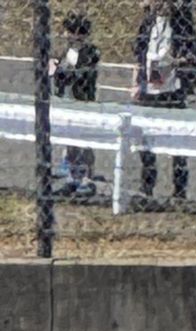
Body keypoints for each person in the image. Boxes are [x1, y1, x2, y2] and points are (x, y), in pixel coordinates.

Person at [131, 0, 196, 205]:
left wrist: (174, 62)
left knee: (177, 142)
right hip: (149, 87)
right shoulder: (148, 23)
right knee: (145, 140)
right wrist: (136, 83)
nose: (160, 4)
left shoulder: (182, 24)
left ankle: (179, 192)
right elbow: (138, 54)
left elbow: (193, 53)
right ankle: (147, 188)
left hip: (172, 88)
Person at [51, 11, 100, 198]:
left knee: (84, 142)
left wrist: (65, 72)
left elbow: (83, 73)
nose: (74, 36)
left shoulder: (91, 51)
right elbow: (55, 72)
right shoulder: (64, 52)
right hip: (66, 99)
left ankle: (87, 178)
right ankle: (72, 178)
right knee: (69, 142)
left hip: (83, 100)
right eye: (70, 31)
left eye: (79, 32)